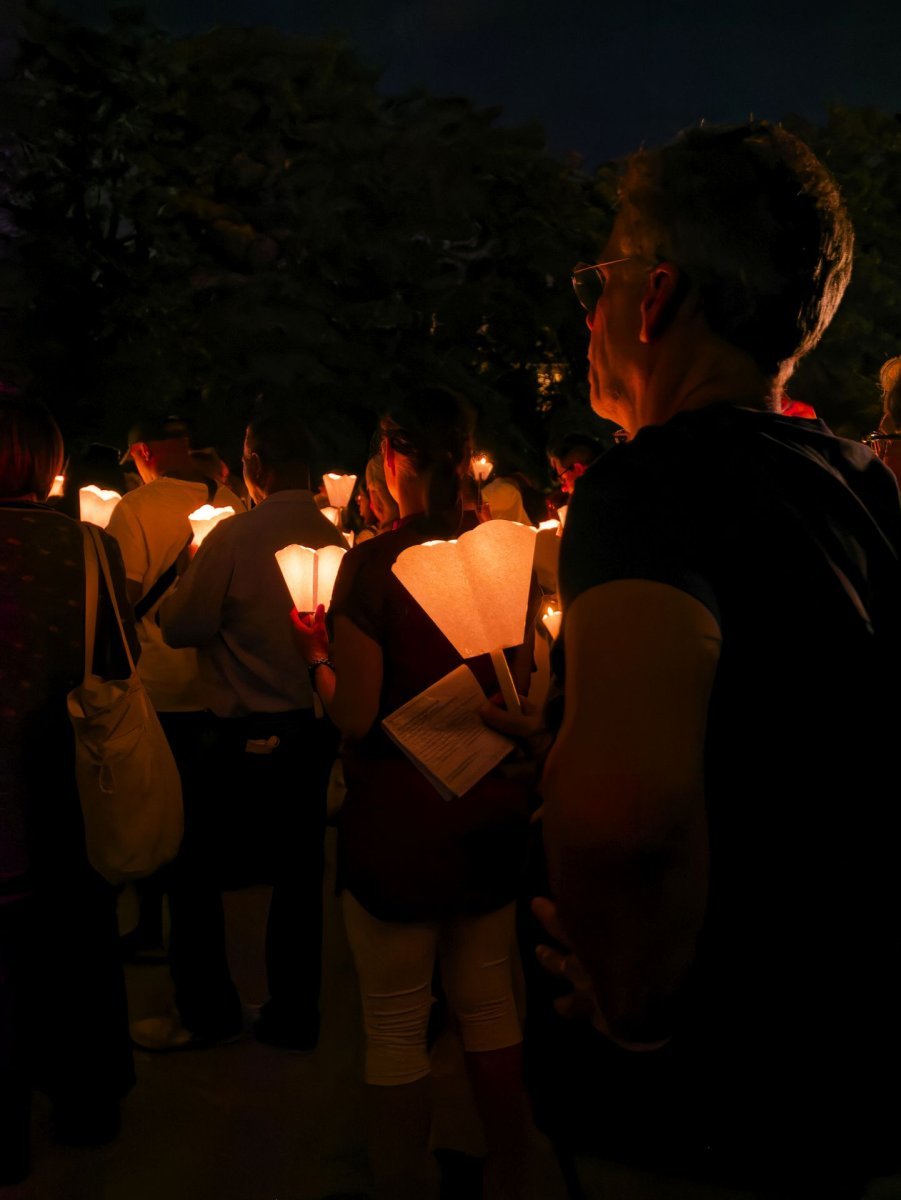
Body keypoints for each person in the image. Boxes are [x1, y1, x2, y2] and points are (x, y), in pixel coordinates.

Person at [485, 122, 901, 1198]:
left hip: (688, 1122)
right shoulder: (856, 487)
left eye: (600, 278)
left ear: (654, 294)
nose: (588, 311)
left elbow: (628, 820)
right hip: (834, 1076)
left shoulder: (646, 488)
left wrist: (633, 1021)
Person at [292, 386, 534, 1200]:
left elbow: (357, 715)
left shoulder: (372, 565)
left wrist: (319, 655)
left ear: (391, 458)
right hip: (488, 811)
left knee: (395, 1023)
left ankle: (404, 1180)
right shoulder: (505, 551)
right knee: (491, 1004)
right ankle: (509, 1170)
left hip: (397, 823)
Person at [157, 408, 347, 1050]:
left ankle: (209, 1010)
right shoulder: (337, 538)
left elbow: (180, 626)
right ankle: (294, 1014)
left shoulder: (233, 539)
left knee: (192, 872)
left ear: (256, 465)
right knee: (298, 877)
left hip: (236, 737)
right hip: (309, 729)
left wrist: (190, 571)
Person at [0, 396, 135, 1196]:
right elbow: (117, 659)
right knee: (80, 938)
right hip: (70, 768)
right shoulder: (88, 547)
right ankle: (88, 1104)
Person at [106, 412, 245, 1046]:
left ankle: (202, 1005)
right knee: (202, 847)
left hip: (157, 696)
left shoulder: (134, 510)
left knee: (157, 832)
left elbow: (119, 599)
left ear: (141, 452)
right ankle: (191, 970)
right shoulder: (233, 504)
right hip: (217, 693)